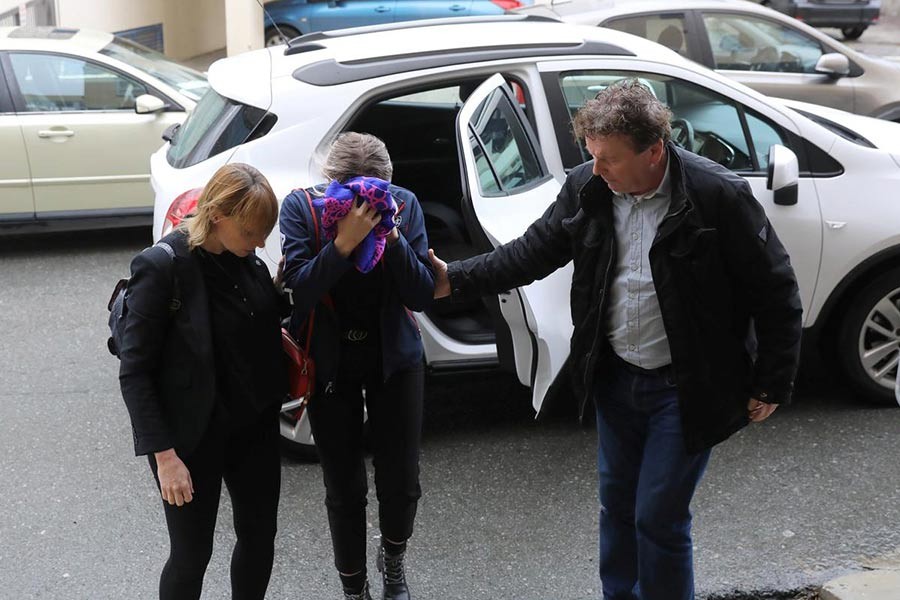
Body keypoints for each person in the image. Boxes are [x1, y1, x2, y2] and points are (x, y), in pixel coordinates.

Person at [429, 79, 803, 599]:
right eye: (593, 157)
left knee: (658, 518)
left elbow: (776, 289)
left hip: (687, 387)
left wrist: (771, 382)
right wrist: (456, 278)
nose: (598, 171)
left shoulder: (716, 194)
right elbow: (534, 251)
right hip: (615, 378)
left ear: (654, 151)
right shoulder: (589, 185)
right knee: (618, 508)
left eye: (609, 160)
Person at [118, 163, 286, 600]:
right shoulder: (164, 266)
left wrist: (279, 289)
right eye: (252, 232)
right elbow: (135, 371)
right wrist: (165, 458)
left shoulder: (245, 258)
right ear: (217, 216)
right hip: (190, 439)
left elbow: (255, 319)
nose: (261, 243)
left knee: (259, 537)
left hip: (253, 429)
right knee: (192, 555)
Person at [280, 132, 435, 600]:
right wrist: (343, 243)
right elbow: (299, 294)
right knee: (343, 487)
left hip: (395, 358)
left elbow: (421, 294)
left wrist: (386, 232)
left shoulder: (403, 205)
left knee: (401, 479)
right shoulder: (301, 208)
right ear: (330, 184)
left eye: (375, 193)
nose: (363, 203)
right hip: (331, 363)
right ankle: (354, 588)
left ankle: (393, 564)